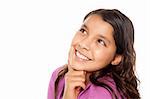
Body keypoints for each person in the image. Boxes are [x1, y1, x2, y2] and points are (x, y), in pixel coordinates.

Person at [48, 9, 140, 99]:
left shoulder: (104, 94)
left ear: (116, 58)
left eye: (100, 41)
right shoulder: (59, 76)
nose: (84, 44)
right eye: (83, 31)